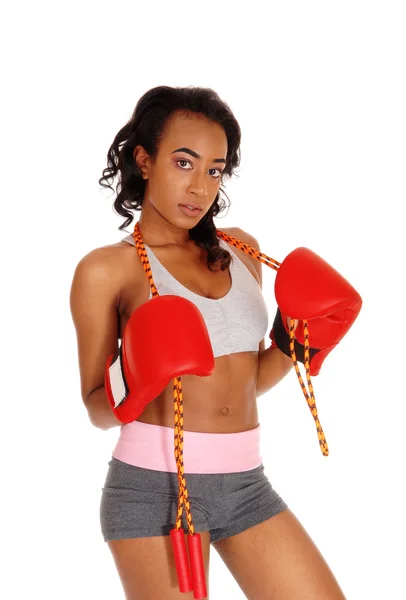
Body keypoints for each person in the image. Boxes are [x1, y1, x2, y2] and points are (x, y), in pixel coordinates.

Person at [70, 85, 348, 599]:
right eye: (183, 162)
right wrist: (138, 379)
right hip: (154, 492)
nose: (199, 187)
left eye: (215, 169)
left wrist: (293, 340)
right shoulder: (107, 269)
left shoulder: (241, 251)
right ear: (144, 160)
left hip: (246, 486)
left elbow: (246, 381)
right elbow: (95, 406)